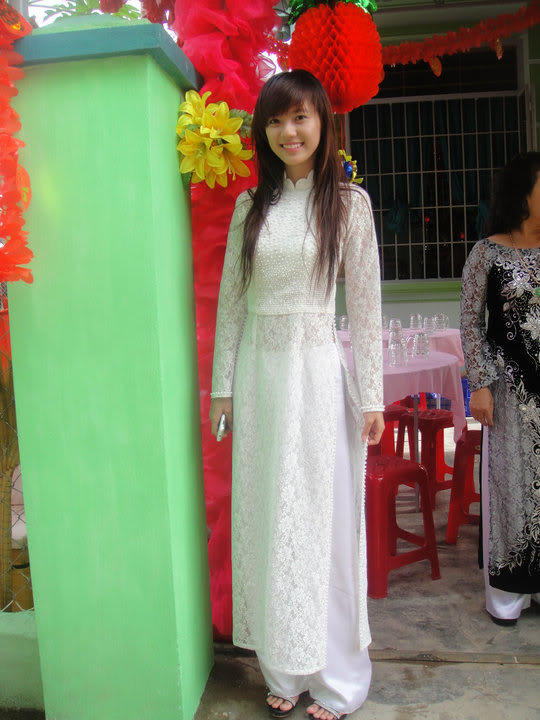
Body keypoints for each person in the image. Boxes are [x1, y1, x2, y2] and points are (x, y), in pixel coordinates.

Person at [209, 70, 384, 720]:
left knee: (321, 525)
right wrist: (223, 387)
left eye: (301, 117)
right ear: (264, 130)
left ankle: (337, 679)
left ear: (323, 124)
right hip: (260, 380)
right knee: (270, 522)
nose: (289, 131)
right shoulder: (250, 207)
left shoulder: (350, 205)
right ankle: (286, 668)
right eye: (277, 120)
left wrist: (372, 396)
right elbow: (232, 301)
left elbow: (365, 305)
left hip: (315, 380)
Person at [460, 152, 540, 626]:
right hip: (509, 393)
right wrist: (480, 385)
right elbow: (471, 324)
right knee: (510, 488)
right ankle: (510, 592)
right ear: (523, 194)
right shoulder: (486, 254)